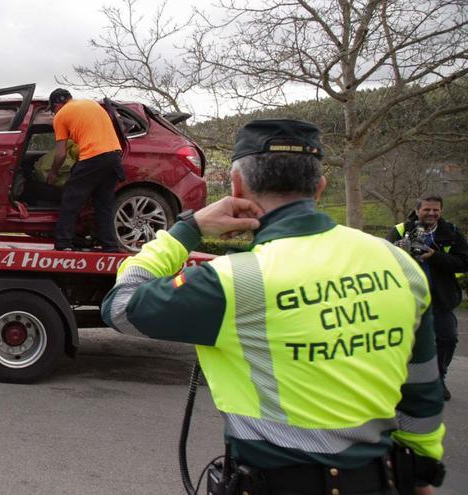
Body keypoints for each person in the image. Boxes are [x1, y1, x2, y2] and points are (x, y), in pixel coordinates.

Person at [102, 119, 445, 494]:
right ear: (320, 186)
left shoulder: (235, 282)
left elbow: (120, 307)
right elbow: (423, 391)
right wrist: (423, 472)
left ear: (236, 187)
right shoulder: (400, 265)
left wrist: (188, 228)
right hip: (382, 481)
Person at [386, 196, 468, 401]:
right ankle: (402, 381)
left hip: (440, 298)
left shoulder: (451, 232)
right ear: (417, 209)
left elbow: (464, 262)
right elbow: (383, 260)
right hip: (406, 297)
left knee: (447, 338)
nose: (432, 214)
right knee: (402, 342)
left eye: (436, 210)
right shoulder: (399, 230)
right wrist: (400, 251)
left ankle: (438, 379)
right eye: (427, 210)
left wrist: (434, 256)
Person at [46, 88, 124, 252]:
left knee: (70, 199)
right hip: (114, 157)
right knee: (104, 204)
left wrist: (52, 174)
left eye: (52, 110)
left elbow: (61, 153)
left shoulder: (61, 115)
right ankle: (109, 246)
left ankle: (63, 243)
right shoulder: (91, 104)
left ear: (57, 105)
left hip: (93, 157)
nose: (53, 113)